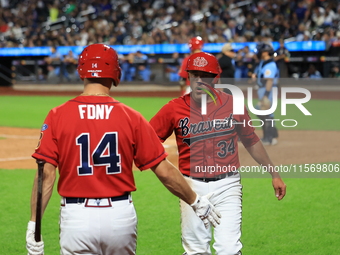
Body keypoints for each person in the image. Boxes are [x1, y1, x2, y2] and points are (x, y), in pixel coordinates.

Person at [25, 44, 221, 255]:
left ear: (81, 70)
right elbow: (163, 170)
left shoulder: (58, 115)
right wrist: (195, 200)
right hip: (119, 217)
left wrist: (33, 226)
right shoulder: (131, 117)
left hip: (76, 217)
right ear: (115, 73)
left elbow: (45, 175)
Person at [150, 51, 286, 255]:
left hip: (228, 185)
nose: (199, 80)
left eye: (205, 76)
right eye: (194, 75)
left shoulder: (234, 105)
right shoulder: (174, 109)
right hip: (191, 187)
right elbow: (147, 142)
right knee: (196, 251)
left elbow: (251, 140)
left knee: (229, 250)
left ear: (216, 78)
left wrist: (274, 173)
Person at [252, 42, 280, 146]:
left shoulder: (270, 64)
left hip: (267, 91)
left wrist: (265, 95)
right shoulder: (263, 62)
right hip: (263, 90)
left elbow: (269, 80)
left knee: (265, 112)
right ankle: (271, 135)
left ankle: (270, 138)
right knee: (264, 112)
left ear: (265, 52)